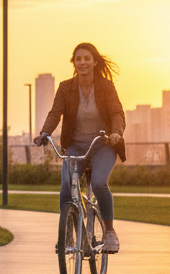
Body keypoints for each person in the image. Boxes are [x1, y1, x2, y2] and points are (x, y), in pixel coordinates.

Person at [34, 42, 125, 253]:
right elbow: (55, 113)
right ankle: (67, 234)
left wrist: (116, 133)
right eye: (78, 59)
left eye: (86, 58)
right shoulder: (66, 87)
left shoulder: (106, 86)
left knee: (100, 183)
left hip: (102, 144)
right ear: (73, 63)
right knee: (67, 185)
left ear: (94, 62)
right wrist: (44, 133)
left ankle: (110, 232)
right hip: (75, 146)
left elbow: (116, 113)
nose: (82, 62)